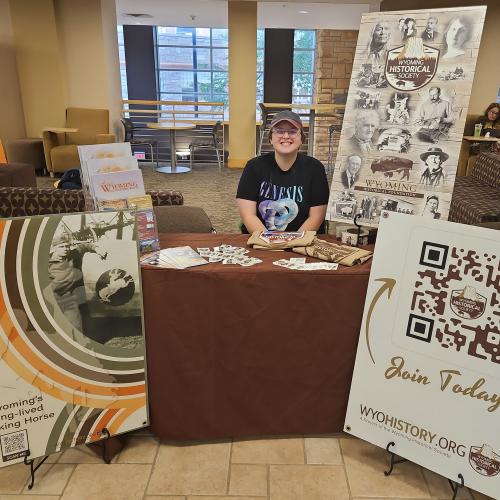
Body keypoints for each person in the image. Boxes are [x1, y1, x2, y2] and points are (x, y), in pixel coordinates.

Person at [236, 110, 329, 233]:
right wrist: (269, 243)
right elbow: (248, 216)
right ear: (270, 138)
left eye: (292, 131)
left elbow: (316, 217)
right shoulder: (254, 167)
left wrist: (294, 243)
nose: (286, 136)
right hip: (261, 242)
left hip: (302, 244)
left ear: (301, 138)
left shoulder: (315, 169)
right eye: (279, 131)